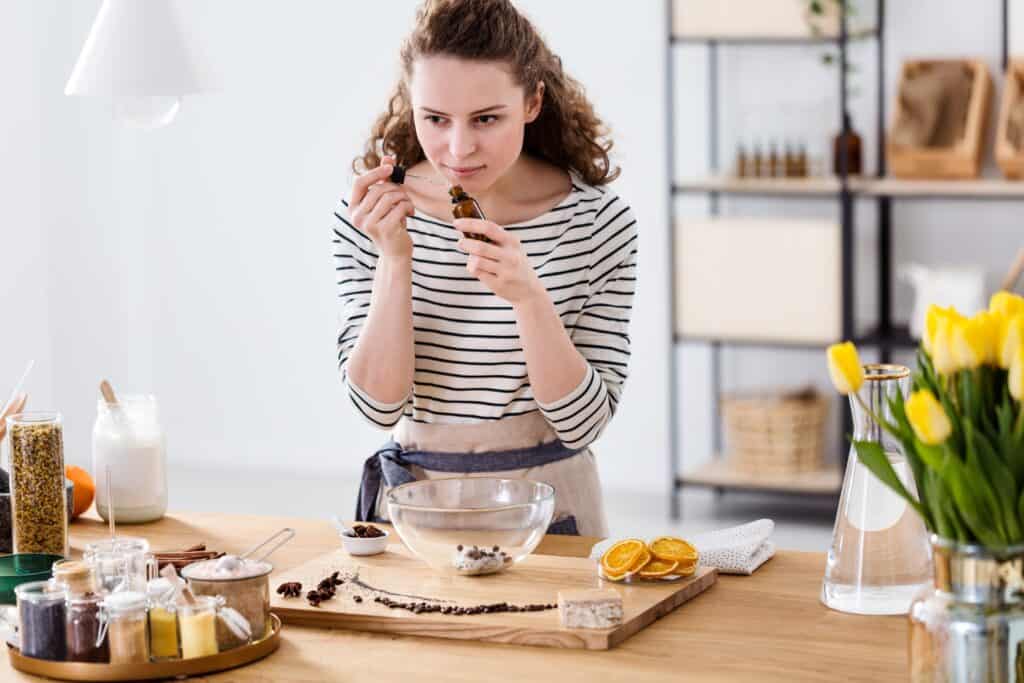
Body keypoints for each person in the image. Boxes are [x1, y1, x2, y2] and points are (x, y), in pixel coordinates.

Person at [333, 0, 637, 537]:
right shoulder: (370, 216)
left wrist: (528, 298)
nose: (459, 148)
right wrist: (395, 258)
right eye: (435, 119)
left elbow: (584, 423)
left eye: (486, 118)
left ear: (532, 101)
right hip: (414, 512)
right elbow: (378, 408)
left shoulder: (597, 221)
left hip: (549, 514)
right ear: (411, 106)